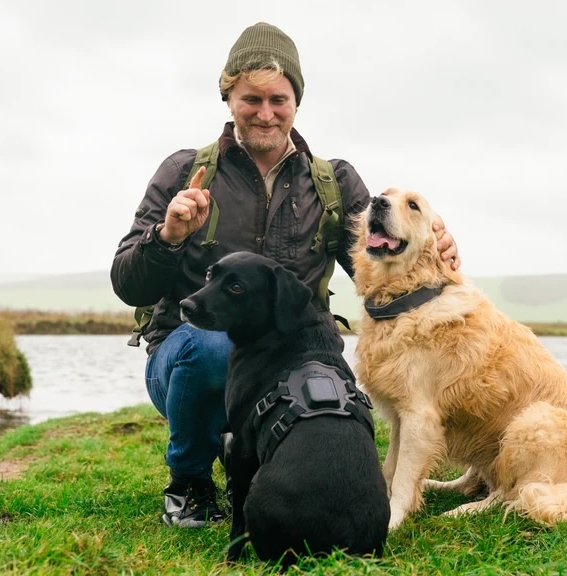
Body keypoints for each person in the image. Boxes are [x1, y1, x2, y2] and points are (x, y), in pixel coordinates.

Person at [110, 21, 460, 528]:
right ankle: (189, 485)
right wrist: (168, 237)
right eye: (251, 98)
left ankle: (281, 477)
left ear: (296, 101)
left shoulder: (333, 182)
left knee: (336, 394)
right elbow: (128, 284)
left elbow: (382, 259)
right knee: (212, 349)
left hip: (298, 359)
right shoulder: (183, 172)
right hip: (192, 360)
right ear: (228, 96)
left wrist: (431, 244)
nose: (266, 112)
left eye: (279, 98)